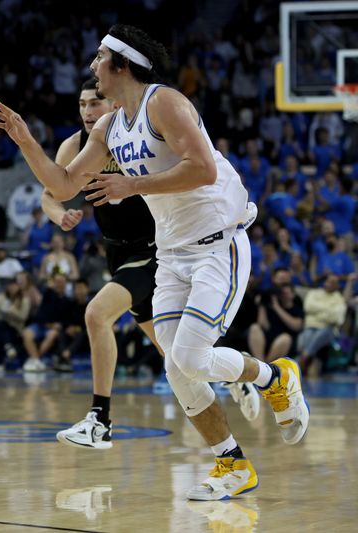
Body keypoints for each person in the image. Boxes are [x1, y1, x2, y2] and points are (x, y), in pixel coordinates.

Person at [0, 24, 309, 500]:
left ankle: (275, 376)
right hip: (173, 254)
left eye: (100, 58)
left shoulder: (166, 102)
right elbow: (62, 185)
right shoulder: (108, 126)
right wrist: (25, 141)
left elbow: (200, 167)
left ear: (121, 64)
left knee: (190, 358)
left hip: (218, 245)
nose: (93, 66)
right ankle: (232, 464)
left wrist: (130, 185)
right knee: (178, 370)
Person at [41, 79, 259, 447]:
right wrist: (58, 215)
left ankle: (99, 419)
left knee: (96, 314)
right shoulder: (75, 147)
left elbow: (190, 169)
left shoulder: (134, 139)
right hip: (117, 252)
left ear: (112, 106)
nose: (87, 111)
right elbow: (52, 193)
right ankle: (234, 376)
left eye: (95, 103)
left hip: (155, 250)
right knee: (176, 360)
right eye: (81, 104)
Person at [298, 273, 352, 375]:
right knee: (304, 338)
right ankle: (307, 360)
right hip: (310, 327)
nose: (331, 284)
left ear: (338, 285)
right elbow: (308, 308)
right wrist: (328, 311)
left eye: (334, 282)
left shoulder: (339, 298)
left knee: (322, 334)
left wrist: (317, 312)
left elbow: (338, 318)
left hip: (328, 330)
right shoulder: (313, 293)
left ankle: (303, 360)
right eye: (329, 281)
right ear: (325, 282)